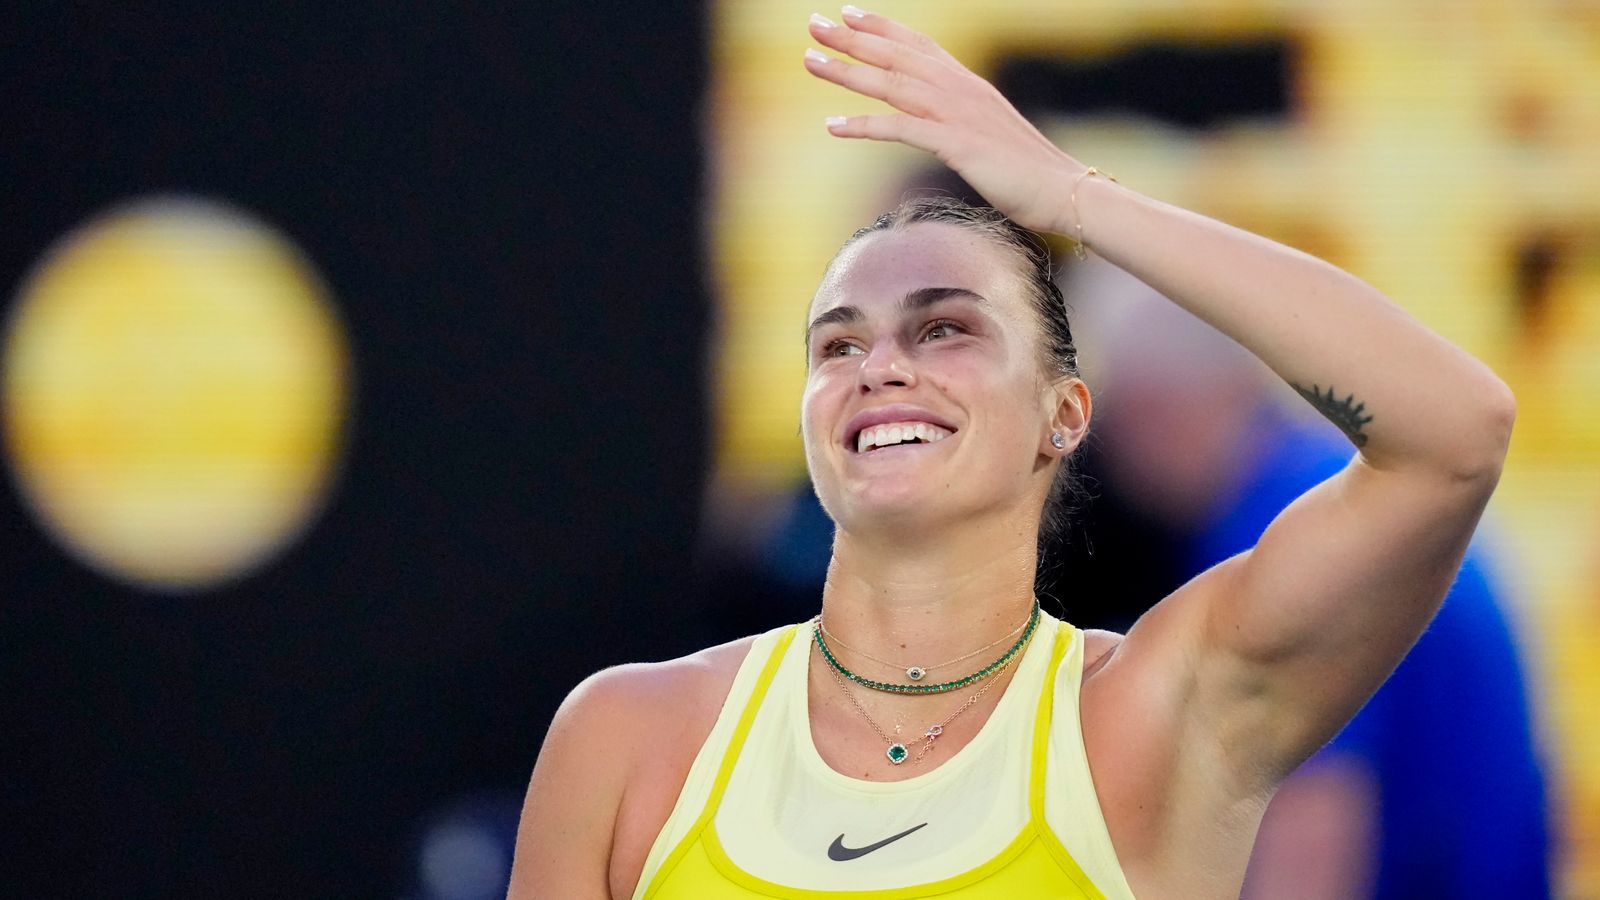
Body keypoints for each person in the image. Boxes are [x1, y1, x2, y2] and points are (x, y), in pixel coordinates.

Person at [506, 8, 1517, 899]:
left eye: (944, 327)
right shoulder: (624, 739)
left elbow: (1454, 433)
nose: (881, 366)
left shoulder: (1156, 715)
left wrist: (1072, 195)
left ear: (1065, 414)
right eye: (838, 342)